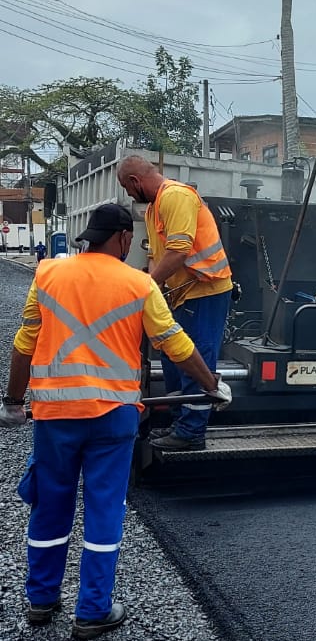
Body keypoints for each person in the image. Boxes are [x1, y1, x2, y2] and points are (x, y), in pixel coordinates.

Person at [0, 203, 229, 640]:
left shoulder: (47, 274)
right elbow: (174, 344)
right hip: (113, 418)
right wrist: (212, 384)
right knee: (105, 509)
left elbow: (24, 343)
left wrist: (13, 401)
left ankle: (41, 600)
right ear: (123, 239)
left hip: (55, 417)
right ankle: (93, 610)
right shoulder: (139, 283)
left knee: (50, 505)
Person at [116, 156, 233, 452]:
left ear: (135, 182)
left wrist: (147, 287)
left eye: (127, 189)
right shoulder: (154, 209)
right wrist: (153, 286)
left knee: (195, 359)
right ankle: (180, 422)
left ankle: (192, 432)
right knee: (172, 357)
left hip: (206, 289)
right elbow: (157, 255)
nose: (130, 195)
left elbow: (179, 251)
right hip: (183, 292)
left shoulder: (176, 197)